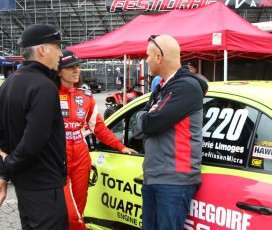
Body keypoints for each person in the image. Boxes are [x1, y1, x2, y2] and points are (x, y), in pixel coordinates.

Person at [55, 50, 138, 230]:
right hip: (57, 158)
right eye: (70, 67)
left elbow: (98, 128)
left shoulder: (86, 96)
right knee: (69, 213)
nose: (76, 70)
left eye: (77, 66)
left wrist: (121, 147)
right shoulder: (48, 94)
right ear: (59, 71)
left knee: (79, 208)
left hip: (81, 158)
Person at [133, 35, 208, 230]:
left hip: (174, 179)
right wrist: (146, 117)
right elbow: (137, 130)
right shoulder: (162, 87)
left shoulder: (185, 87)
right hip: (156, 175)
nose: (146, 60)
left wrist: (147, 117)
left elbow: (149, 124)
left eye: (148, 55)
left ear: (159, 57)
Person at [0, 23, 69, 229]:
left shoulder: (9, 83)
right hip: (44, 186)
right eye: (57, 47)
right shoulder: (43, 86)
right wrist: (10, 163)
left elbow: (2, 135)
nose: (60, 53)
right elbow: (34, 140)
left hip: (24, 186)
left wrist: (5, 170)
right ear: (42, 49)